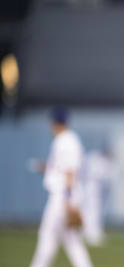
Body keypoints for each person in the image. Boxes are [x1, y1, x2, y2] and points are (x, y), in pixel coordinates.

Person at [30, 107, 93, 267]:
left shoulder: (66, 141)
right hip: (66, 195)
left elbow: (70, 172)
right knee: (71, 241)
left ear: (55, 122)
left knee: (47, 236)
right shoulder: (67, 139)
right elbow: (61, 169)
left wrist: (69, 201)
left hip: (62, 196)